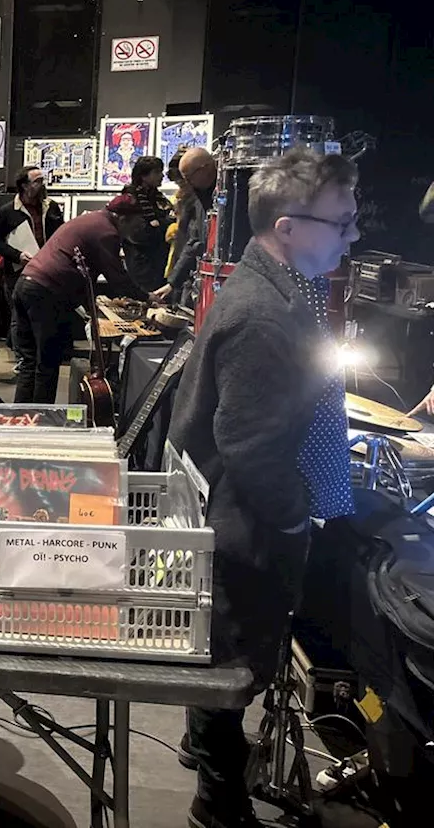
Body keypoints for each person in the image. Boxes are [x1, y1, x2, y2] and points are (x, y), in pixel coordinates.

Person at [168, 149, 359, 828]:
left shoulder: (276, 292)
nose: (352, 233)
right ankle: (217, 808)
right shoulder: (263, 315)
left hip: (239, 523)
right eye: (340, 221)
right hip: (243, 529)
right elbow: (251, 449)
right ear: (287, 226)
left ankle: (210, 766)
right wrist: (294, 519)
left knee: (226, 660)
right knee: (230, 667)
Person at [12, 196, 160, 404]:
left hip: (26, 284)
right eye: (138, 222)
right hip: (45, 292)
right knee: (47, 362)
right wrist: (147, 297)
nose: (139, 228)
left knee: (29, 362)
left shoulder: (90, 220)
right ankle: (40, 422)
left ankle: (21, 419)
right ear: (123, 218)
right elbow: (117, 278)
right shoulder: (106, 232)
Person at [156, 146, 218, 305]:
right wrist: (173, 282)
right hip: (196, 270)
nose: (187, 183)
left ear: (205, 169)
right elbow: (195, 240)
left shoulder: (201, 195)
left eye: (188, 177)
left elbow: (196, 241)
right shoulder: (198, 195)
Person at [119, 155, 174, 291]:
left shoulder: (156, 197)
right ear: (144, 176)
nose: (162, 176)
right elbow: (139, 234)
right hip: (143, 265)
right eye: (157, 172)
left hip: (158, 261)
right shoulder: (129, 200)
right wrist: (167, 223)